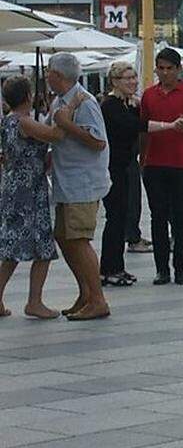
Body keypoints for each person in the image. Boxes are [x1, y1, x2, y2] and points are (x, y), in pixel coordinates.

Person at [99, 61, 183, 287]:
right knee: (115, 217)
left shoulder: (126, 104)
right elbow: (137, 125)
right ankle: (108, 269)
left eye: (134, 77)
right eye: (127, 79)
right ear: (115, 82)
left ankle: (117, 266)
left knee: (122, 216)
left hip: (125, 165)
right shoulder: (110, 106)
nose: (133, 82)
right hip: (113, 168)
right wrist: (169, 126)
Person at [45, 53, 112, 321]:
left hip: (83, 182)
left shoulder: (85, 102)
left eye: (49, 71)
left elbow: (98, 142)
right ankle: (85, 293)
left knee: (79, 239)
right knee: (63, 236)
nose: (47, 76)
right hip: (66, 181)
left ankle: (98, 299)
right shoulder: (60, 101)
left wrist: (67, 125)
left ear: (58, 75)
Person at [140, 48, 183, 286]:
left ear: (179, 70)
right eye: (161, 68)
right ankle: (161, 269)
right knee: (157, 217)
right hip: (154, 164)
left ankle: (181, 268)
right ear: (156, 69)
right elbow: (143, 129)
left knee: (182, 216)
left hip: (182, 164)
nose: (165, 73)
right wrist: (142, 161)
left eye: (170, 68)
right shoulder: (148, 96)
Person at [0, 76, 62, 320]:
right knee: (43, 247)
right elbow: (56, 135)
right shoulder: (24, 122)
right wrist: (65, 107)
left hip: (14, 188)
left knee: (12, 250)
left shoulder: (7, 121)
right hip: (29, 192)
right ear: (28, 97)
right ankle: (34, 301)